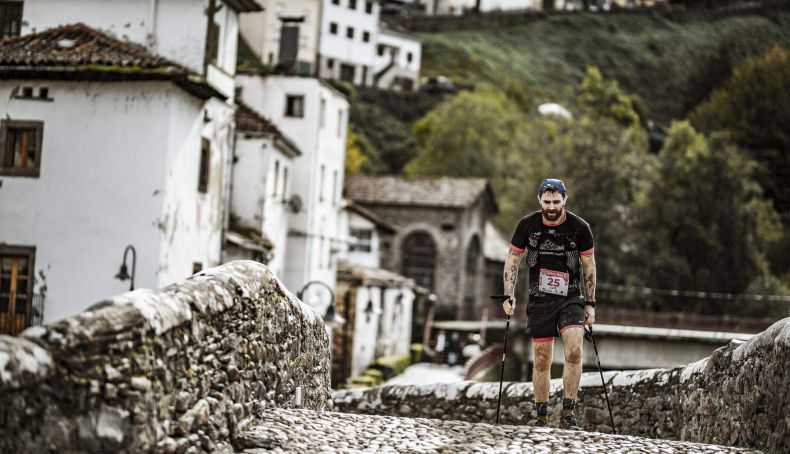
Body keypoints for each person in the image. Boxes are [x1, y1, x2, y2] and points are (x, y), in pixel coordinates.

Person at [502, 178, 596, 430]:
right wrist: (507, 294)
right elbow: (512, 261)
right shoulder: (527, 225)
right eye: (547, 202)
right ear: (539, 200)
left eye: (556, 201)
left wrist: (590, 303)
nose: (552, 207)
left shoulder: (580, 227)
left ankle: (568, 414)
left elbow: (589, 266)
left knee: (574, 351)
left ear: (565, 200)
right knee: (542, 359)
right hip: (540, 300)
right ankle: (541, 416)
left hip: (571, 298)